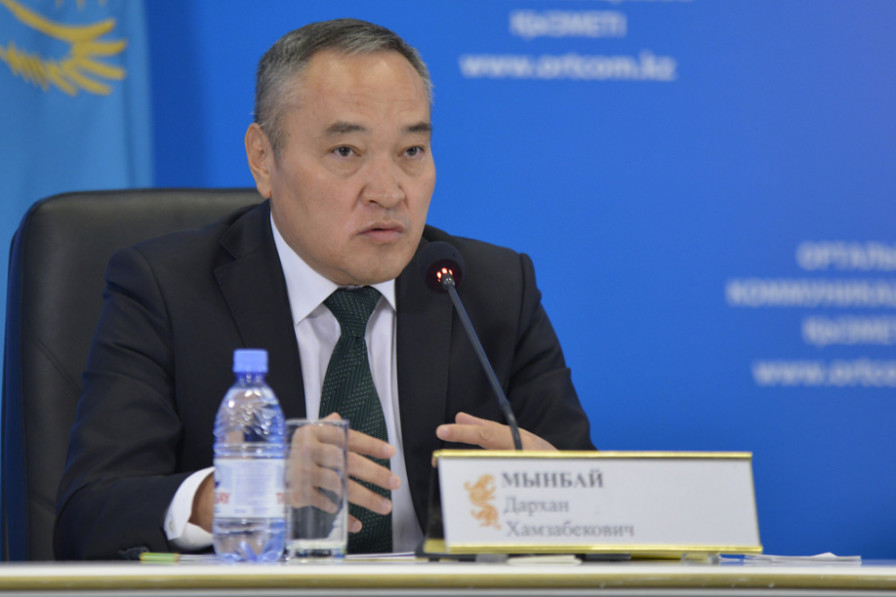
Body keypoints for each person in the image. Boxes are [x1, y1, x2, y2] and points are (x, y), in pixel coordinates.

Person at [54, 18, 594, 560]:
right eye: (346, 152)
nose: (389, 192)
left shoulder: (487, 290)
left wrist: (561, 494)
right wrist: (238, 493)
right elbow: (89, 517)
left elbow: (604, 525)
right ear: (263, 158)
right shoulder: (166, 290)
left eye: (411, 151)